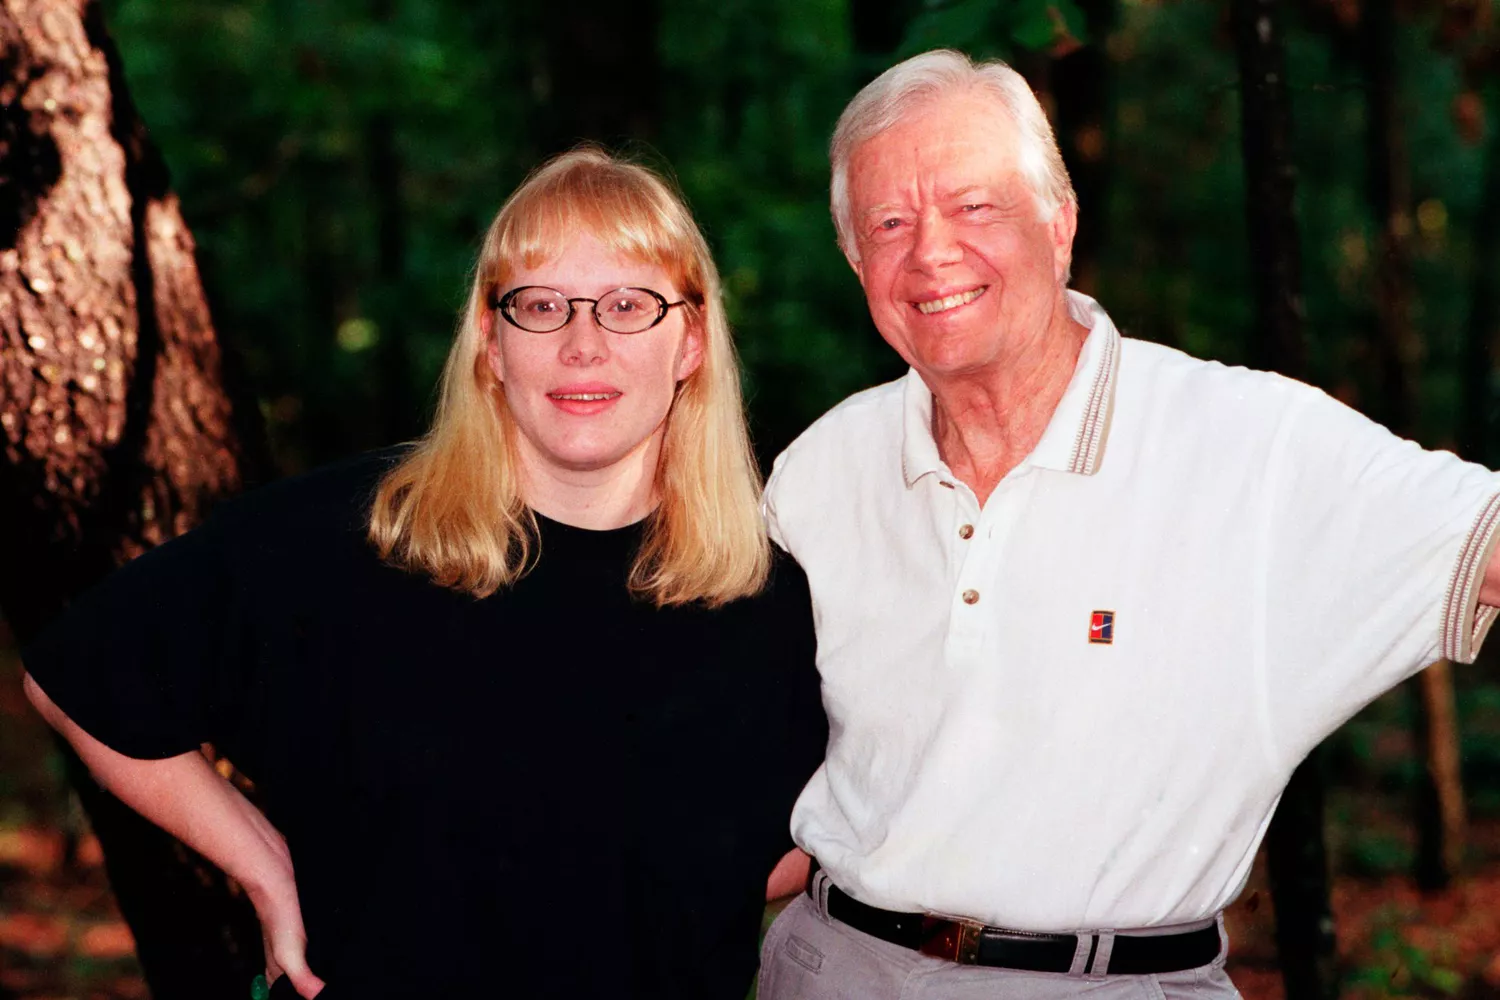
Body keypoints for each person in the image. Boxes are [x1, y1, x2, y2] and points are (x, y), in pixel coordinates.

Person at [758, 49, 1500, 999]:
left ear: (1059, 225)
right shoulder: (821, 470)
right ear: (857, 261)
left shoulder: (1250, 447)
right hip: (836, 968)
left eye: (975, 206)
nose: (930, 251)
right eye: (888, 223)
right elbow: (753, 760)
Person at [22, 147, 827, 1000]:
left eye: (629, 305)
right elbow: (76, 677)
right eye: (540, 305)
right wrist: (265, 866)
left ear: (691, 341)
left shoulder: (764, 596)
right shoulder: (339, 539)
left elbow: (781, 859)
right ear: (490, 341)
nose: (582, 344)